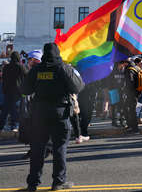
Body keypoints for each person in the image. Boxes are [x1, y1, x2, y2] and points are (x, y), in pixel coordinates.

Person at [19, 43, 85, 191]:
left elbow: (24, 89)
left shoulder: (36, 69)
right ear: (57, 53)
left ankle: (33, 183)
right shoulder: (64, 68)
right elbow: (79, 86)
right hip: (60, 112)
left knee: (38, 148)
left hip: (40, 112)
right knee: (59, 147)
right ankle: (59, 181)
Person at [0, 51, 27, 132]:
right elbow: (26, 77)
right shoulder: (21, 67)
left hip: (7, 91)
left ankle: (1, 127)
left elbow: (3, 79)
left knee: (5, 109)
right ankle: (14, 126)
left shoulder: (6, 67)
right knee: (16, 108)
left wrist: (4, 89)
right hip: (17, 91)